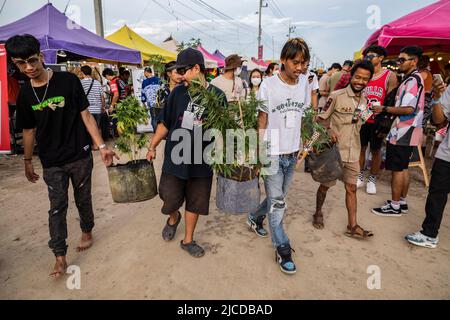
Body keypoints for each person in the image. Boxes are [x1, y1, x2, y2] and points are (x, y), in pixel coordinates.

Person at [6, 34, 118, 277]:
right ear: (14, 64)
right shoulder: (25, 95)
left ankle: (87, 229)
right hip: (51, 161)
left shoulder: (68, 81)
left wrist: (101, 147)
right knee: (57, 207)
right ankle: (59, 255)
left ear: (42, 56)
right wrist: (27, 161)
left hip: (79, 154)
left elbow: (86, 116)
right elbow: (28, 130)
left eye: (32, 60)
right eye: (20, 63)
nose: (29, 68)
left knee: (83, 198)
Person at [146, 48, 227, 258]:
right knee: (168, 196)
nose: (179, 75)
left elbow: (222, 132)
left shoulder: (218, 96)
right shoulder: (177, 93)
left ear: (196, 69)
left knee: (196, 201)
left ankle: (188, 240)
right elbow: (165, 123)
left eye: (183, 70)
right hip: (176, 157)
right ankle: (173, 218)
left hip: (202, 162)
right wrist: (152, 145)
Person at [247, 38, 311, 275]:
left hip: (292, 152)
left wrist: (304, 145)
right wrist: (258, 153)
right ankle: (282, 248)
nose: (300, 68)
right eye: (295, 62)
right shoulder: (268, 85)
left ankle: (254, 217)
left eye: (304, 63)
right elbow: (261, 121)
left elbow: (303, 116)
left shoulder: (304, 83)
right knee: (278, 204)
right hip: (272, 153)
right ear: (283, 60)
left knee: (279, 197)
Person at [314, 60, 374, 240]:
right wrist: (330, 129)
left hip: (353, 152)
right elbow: (320, 119)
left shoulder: (365, 101)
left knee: (351, 189)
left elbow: (360, 124)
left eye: (365, 79)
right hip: (333, 152)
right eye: (358, 77)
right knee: (325, 186)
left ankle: (352, 225)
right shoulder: (336, 96)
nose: (360, 81)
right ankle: (318, 212)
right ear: (351, 76)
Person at [372, 46, 426, 217]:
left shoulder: (412, 81)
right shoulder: (414, 78)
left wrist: (384, 108)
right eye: (398, 59)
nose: (398, 63)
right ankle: (401, 202)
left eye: (402, 60)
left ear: (414, 61)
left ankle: (395, 206)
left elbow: (408, 108)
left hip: (403, 130)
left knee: (397, 169)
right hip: (409, 131)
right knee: (403, 168)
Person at [405, 79, 450, 248]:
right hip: (447, 154)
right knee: (437, 194)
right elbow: (439, 120)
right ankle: (429, 234)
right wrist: (438, 97)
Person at [357, 46, 398, 195]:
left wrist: (387, 120)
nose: (368, 58)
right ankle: (360, 176)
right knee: (361, 148)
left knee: (375, 150)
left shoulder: (389, 75)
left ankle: (372, 179)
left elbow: (392, 99)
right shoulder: (365, 74)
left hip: (379, 118)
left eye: (371, 56)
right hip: (364, 116)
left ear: (380, 58)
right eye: (366, 56)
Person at [80, 65, 106, 150]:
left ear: (82, 73)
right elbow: (102, 96)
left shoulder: (81, 83)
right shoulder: (97, 82)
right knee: (98, 127)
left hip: (87, 109)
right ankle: (100, 145)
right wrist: (103, 106)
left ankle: (95, 145)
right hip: (97, 108)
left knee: (90, 127)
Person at [141, 67, 161, 131]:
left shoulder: (144, 82)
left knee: (154, 118)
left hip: (151, 103)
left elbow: (143, 93)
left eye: (144, 73)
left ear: (146, 72)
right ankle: (160, 131)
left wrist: (143, 102)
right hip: (160, 102)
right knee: (160, 117)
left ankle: (156, 132)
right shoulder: (158, 79)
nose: (144, 74)